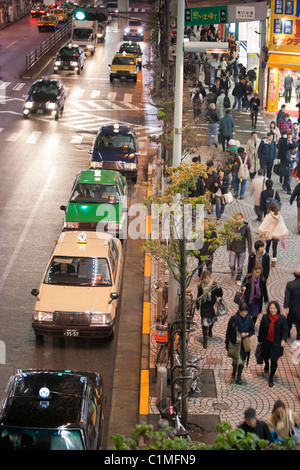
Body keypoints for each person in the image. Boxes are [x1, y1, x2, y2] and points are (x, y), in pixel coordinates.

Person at [258, 301, 288, 387]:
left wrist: (283, 340)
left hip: (276, 343)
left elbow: (285, 330)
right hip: (266, 342)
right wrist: (259, 340)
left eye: (274, 308)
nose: (273, 310)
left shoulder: (282, 319)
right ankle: (266, 365)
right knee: (265, 357)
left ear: (277, 309)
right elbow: (261, 329)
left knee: (274, 360)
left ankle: (271, 377)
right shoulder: (265, 317)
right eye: (271, 308)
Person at [225, 302, 255, 384]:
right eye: (242, 311)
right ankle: (234, 371)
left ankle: (239, 377)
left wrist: (246, 334)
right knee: (235, 359)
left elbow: (252, 331)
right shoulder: (233, 319)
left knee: (242, 361)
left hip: (244, 345)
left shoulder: (249, 320)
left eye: (246, 311)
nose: (244, 313)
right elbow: (228, 332)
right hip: (235, 343)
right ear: (239, 310)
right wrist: (227, 342)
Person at [196, 271, 223, 348]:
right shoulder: (200, 286)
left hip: (212, 306)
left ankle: (210, 329)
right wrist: (197, 305)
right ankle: (205, 339)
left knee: (211, 320)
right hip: (204, 306)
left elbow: (219, 293)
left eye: (207, 278)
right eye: (204, 278)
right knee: (204, 322)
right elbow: (199, 295)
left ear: (210, 277)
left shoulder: (214, 285)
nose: (206, 280)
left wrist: (219, 298)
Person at [258, 203, 288, 267]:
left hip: (269, 234)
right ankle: (273, 261)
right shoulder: (279, 216)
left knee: (268, 246)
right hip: (276, 234)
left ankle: (267, 258)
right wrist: (282, 233)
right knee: (274, 248)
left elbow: (264, 225)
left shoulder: (268, 216)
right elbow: (281, 226)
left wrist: (261, 233)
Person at [227, 212, 252, 285]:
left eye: (240, 219)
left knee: (240, 266)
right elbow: (228, 236)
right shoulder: (232, 227)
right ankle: (233, 272)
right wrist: (228, 246)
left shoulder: (246, 228)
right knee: (231, 264)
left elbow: (249, 239)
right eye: (237, 219)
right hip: (233, 248)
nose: (238, 220)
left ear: (243, 218)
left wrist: (250, 250)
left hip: (242, 249)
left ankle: (238, 278)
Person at [284, 268, 300, 340]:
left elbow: (287, 296)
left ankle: (287, 335)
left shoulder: (290, 284)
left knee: (288, 323)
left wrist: (286, 307)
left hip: (291, 309)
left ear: (294, 275)